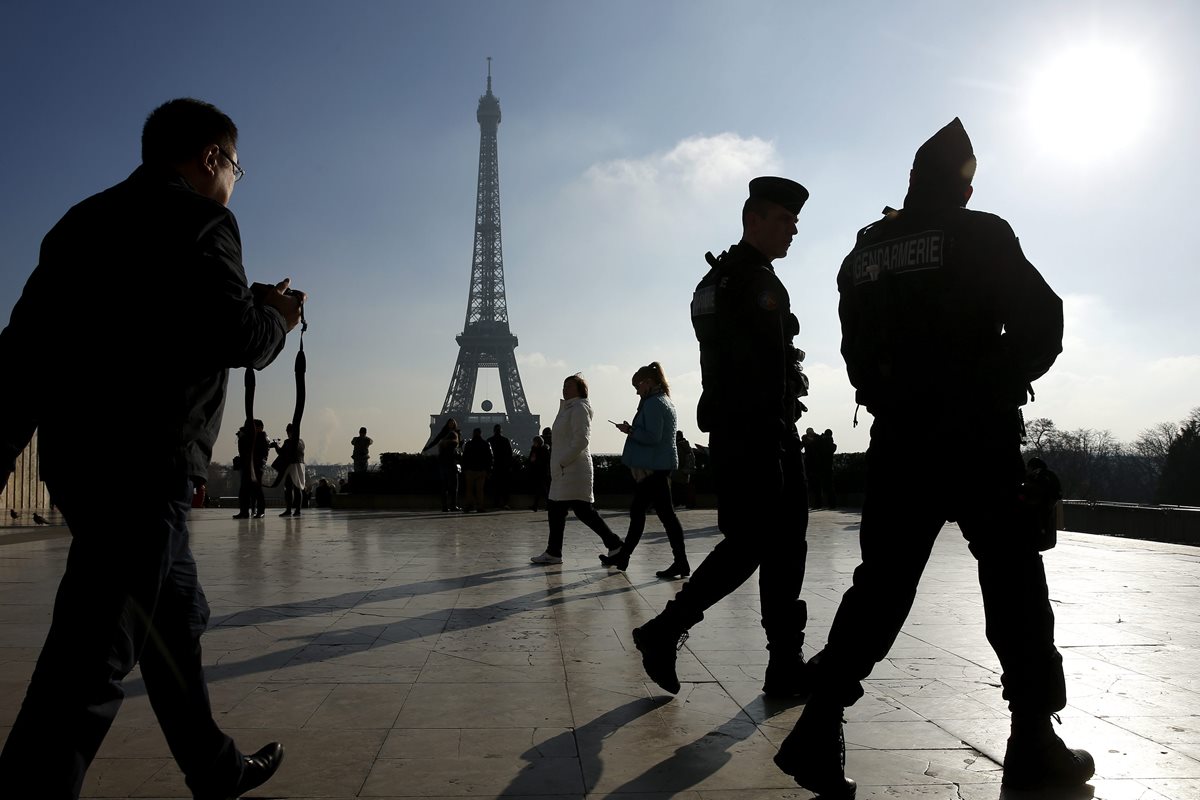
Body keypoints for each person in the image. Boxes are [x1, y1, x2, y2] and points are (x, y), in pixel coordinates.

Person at [773, 119, 1093, 797]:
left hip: (899, 441)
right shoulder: (981, 234)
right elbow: (1044, 318)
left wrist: (890, 395)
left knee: (880, 587)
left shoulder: (864, 251)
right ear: (962, 181)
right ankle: (1032, 737)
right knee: (1013, 582)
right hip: (976, 436)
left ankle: (819, 726)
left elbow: (853, 350)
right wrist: (998, 380)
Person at [0, 98, 293, 799]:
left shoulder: (79, 223)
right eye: (237, 167)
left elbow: (21, 355)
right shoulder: (204, 220)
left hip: (79, 462)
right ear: (213, 158)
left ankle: (214, 770)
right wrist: (275, 320)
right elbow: (235, 336)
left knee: (177, 619)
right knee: (89, 663)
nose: (234, 182)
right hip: (147, 467)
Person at [631, 176, 812, 700]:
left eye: (795, 221)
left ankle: (778, 664)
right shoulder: (759, 285)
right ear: (752, 219)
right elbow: (766, 374)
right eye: (783, 219)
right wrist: (778, 435)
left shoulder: (712, 283)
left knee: (763, 546)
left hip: (733, 434)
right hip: (764, 435)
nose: (793, 229)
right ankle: (671, 629)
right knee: (771, 547)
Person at [600, 363, 689, 578]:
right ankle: (677, 562)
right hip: (659, 466)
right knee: (660, 515)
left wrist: (630, 430)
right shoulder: (663, 401)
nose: (636, 391)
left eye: (637, 386)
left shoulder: (653, 404)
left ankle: (626, 556)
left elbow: (652, 437)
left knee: (644, 513)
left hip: (653, 467)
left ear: (648, 382)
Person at [531, 374, 624, 565]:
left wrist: (562, 462)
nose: (565, 388)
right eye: (564, 385)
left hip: (572, 469)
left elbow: (581, 440)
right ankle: (555, 552)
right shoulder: (569, 408)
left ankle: (613, 544)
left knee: (579, 511)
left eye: (570, 385)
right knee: (564, 511)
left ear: (580, 389)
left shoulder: (579, 408)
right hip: (565, 470)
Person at [425, 418, 462, 512]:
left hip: (445, 462)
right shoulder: (455, 435)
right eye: (450, 422)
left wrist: (428, 447)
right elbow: (460, 447)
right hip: (451, 463)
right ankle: (451, 505)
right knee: (452, 485)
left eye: (452, 422)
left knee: (446, 486)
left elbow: (436, 441)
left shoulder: (445, 436)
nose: (451, 424)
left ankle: (446, 506)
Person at [270, 422, 305, 517]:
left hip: (291, 466)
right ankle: (297, 510)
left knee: (289, 488)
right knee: (298, 488)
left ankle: (288, 510)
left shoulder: (288, 442)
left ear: (289, 432)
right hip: (300, 465)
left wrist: (276, 445)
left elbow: (281, 453)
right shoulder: (301, 442)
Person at [461, 427, 492, 512]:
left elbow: (464, 458)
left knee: (469, 490)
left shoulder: (468, 444)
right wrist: (488, 470)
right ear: (481, 433)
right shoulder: (485, 444)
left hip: (470, 470)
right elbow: (489, 458)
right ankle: (480, 506)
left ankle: (468, 506)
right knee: (480, 490)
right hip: (481, 470)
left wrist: (464, 469)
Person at [488, 424, 514, 509]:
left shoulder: (490, 440)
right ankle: (505, 503)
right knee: (505, 486)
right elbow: (510, 454)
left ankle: (495, 503)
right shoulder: (506, 440)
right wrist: (509, 465)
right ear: (501, 431)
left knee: (495, 486)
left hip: (494, 467)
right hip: (504, 467)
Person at [671, 430, 696, 509]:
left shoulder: (679, 446)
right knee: (682, 488)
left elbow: (678, 459)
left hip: (678, 471)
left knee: (676, 489)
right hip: (685, 471)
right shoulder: (686, 446)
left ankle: (678, 504)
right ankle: (682, 503)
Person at [813, 428, 837, 508]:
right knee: (830, 486)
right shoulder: (832, 445)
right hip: (828, 467)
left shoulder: (822, 442)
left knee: (818, 486)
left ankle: (818, 504)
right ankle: (832, 504)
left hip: (820, 466)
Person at [528, 435, 551, 512]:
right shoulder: (543, 450)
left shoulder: (540, 450)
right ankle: (539, 505)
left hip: (541, 472)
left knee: (541, 489)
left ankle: (537, 505)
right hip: (541, 472)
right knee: (541, 489)